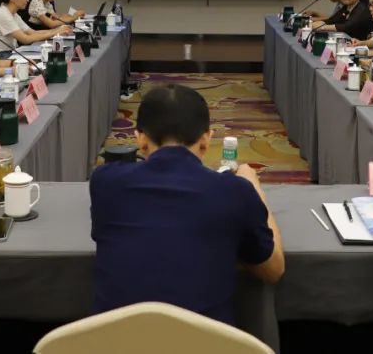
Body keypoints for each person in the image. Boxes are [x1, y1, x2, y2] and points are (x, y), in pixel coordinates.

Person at [90, 84, 284, 324]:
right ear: (206, 140)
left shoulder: (105, 182)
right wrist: (253, 188)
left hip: (113, 341)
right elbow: (273, 269)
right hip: (207, 341)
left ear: (140, 140)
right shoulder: (234, 191)